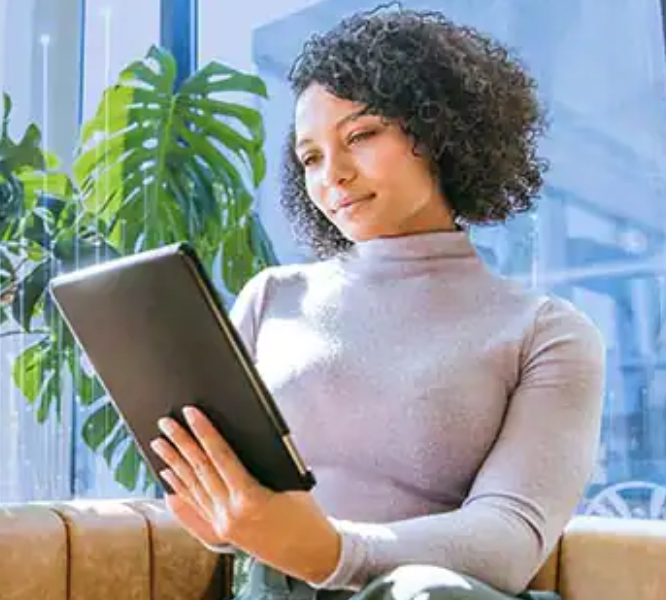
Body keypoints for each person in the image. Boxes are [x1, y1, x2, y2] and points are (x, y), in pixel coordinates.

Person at [147, 6, 606, 600]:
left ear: (440, 132)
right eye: (310, 157)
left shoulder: (547, 333)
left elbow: (507, 540)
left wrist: (330, 552)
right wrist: (228, 518)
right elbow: (232, 503)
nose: (332, 175)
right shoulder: (274, 299)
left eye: (361, 136)